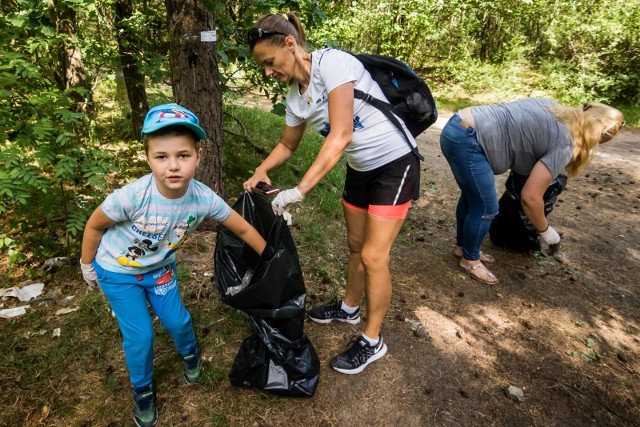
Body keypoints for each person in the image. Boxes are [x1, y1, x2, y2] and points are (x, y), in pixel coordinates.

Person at [243, 13, 423, 375]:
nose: (268, 72)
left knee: (374, 256)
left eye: (270, 62)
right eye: (263, 66)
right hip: (361, 170)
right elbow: (287, 144)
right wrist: (262, 169)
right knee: (355, 245)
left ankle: (373, 340)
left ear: (290, 45)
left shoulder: (334, 63)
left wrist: (300, 189)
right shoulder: (296, 98)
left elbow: (341, 134)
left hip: (395, 162)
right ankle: (349, 307)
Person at [79, 103, 267, 427]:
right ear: (148, 157)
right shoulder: (131, 197)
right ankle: (142, 391)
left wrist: (270, 256)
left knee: (178, 321)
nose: (173, 166)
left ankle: (191, 354)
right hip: (118, 271)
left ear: (199, 155)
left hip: (160, 269)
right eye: (161, 157)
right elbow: (95, 225)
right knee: (140, 337)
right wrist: (86, 264)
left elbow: (243, 228)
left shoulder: (203, 198)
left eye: (183, 155)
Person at [440, 99, 624, 284]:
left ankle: (463, 248)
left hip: (456, 126)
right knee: (486, 207)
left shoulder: (552, 105)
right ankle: (470, 261)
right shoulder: (565, 143)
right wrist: (547, 232)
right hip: (469, 141)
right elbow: (530, 197)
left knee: (473, 198)